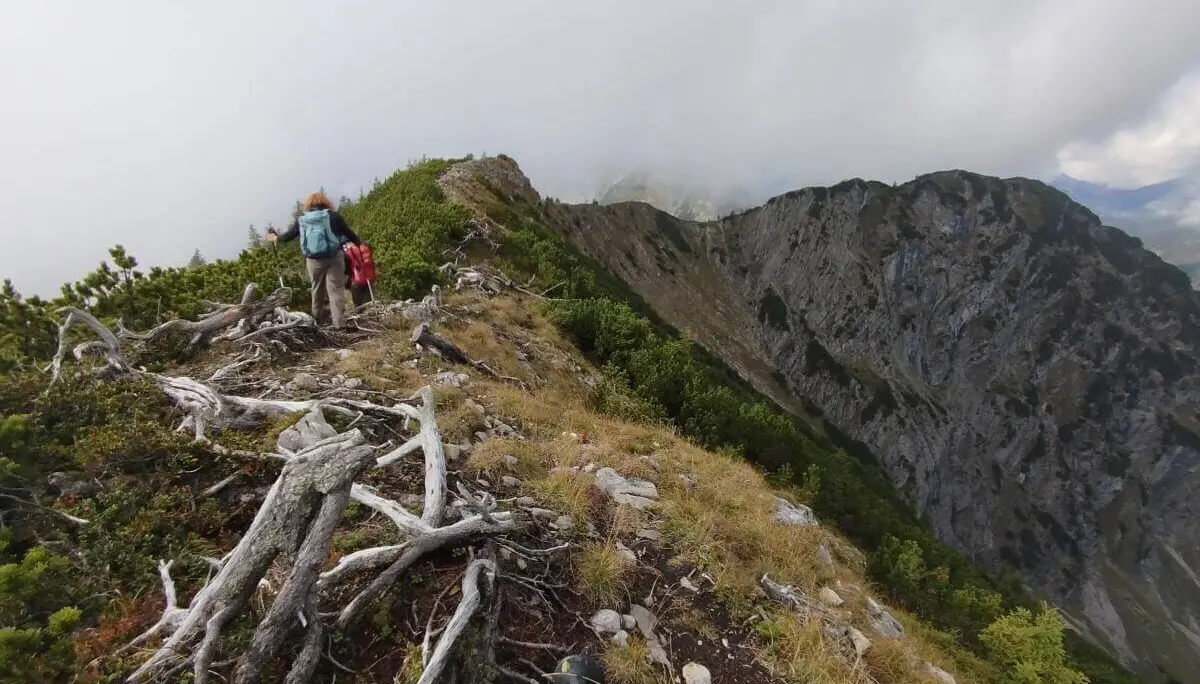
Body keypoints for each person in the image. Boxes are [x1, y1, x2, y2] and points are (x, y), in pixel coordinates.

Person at [266, 191, 362, 329]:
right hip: (334, 257)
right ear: (325, 202)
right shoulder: (333, 216)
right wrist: (360, 244)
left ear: (309, 204)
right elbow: (349, 233)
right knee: (335, 291)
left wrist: (274, 238)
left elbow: (288, 236)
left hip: (313, 260)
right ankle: (339, 325)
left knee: (317, 290)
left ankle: (316, 322)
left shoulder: (303, 219)